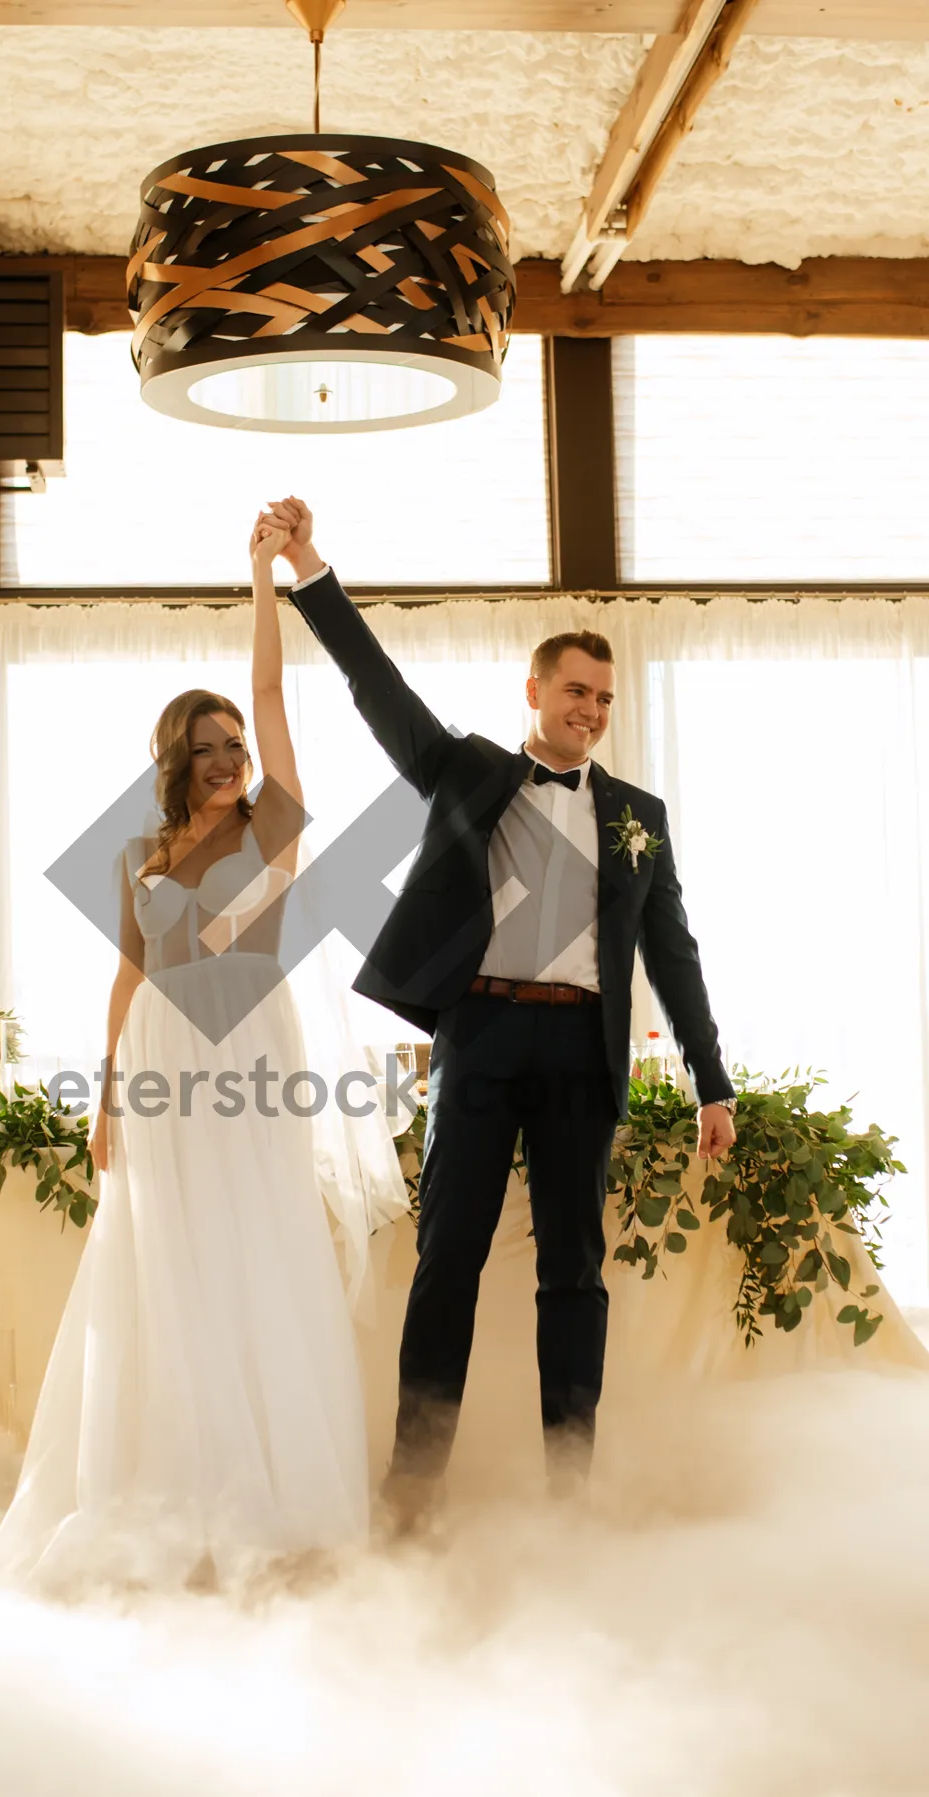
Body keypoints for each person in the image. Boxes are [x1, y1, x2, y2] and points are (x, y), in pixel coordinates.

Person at [261, 494, 737, 1528]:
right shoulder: (466, 769)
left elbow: (675, 956)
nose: (592, 710)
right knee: (449, 1261)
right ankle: (414, 1487)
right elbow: (373, 683)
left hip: (580, 1048)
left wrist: (713, 1081)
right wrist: (310, 568)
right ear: (535, 689)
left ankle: (573, 1486)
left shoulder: (637, 821)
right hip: (479, 1035)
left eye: (605, 699)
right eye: (576, 691)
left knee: (575, 1269)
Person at [0, 510, 401, 1590]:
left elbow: (271, 695)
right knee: (162, 1255)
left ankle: (272, 1489)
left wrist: (261, 578)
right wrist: (107, 1092)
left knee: (254, 1246)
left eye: (238, 744)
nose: (229, 756)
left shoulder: (273, 826)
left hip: (254, 1046)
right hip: (163, 1056)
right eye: (207, 745)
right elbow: (127, 973)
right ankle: (164, 1483)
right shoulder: (139, 851)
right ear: (176, 758)